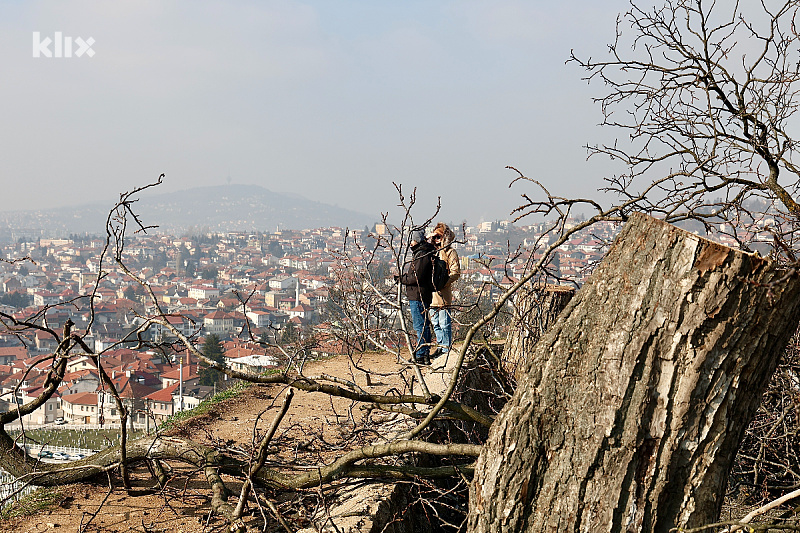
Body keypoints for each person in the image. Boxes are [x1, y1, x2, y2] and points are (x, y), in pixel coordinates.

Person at [397, 228, 436, 365]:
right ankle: (423, 354)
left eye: (412, 240)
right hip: (422, 294)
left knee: (420, 326)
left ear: (417, 240)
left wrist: (402, 279)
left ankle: (420, 354)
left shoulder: (421, 255)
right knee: (423, 325)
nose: (410, 243)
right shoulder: (425, 253)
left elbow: (416, 277)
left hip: (418, 295)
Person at [429, 222, 460, 355]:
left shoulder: (450, 252)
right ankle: (441, 346)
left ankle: (446, 349)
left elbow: (456, 272)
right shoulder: (431, 251)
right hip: (431, 295)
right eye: (434, 237)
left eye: (438, 237)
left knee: (444, 323)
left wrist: (444, 282)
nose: (436, 240)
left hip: (443, 294)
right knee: (435, 323)